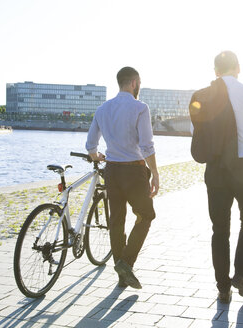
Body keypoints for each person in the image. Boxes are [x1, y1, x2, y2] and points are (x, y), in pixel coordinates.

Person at [189, 51, 243, 303]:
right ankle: (241, 275)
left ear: (215, 71)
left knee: (220, 230)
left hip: (215, 170)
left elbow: (200, 135)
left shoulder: (203, 96)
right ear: (238, 67)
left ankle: (223, 287)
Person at [86, 66, 159, 289]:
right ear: (134, 82)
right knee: (146, 215)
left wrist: (96, 155)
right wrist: (155, 173)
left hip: (112, 171)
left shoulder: (103, 109)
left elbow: (90, 144)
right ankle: (126, 263)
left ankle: (122, 276)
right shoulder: (140, 107)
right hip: (134, 172)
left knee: (116, 221)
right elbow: (146, 145)